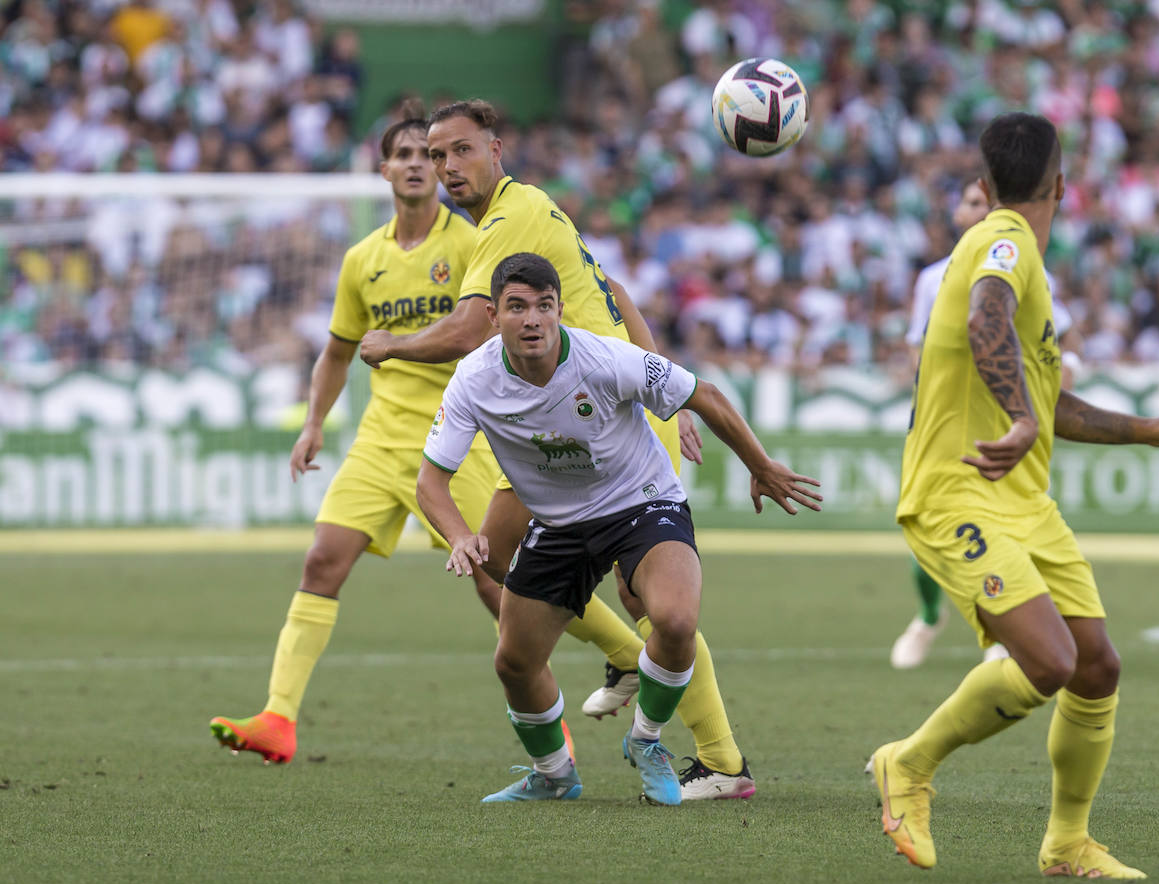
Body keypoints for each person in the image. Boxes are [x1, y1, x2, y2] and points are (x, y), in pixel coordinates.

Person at [358, 99, 756, 800]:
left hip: (600, 403)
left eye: (460, 152)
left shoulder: (514, 218)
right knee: (500, 551)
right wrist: (659, 368)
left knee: (654, 602)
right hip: (564, 415)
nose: (448, 167)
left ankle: (720, 759)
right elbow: (613, 286)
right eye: (437, 154)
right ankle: (619, 663)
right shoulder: (525, 215)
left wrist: (391, 345)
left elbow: (466, 332)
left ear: (496, 151)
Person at [870, 113, 1159, 878]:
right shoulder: (1005, 244)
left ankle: (1066, 844)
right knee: (1049, 660)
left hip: (1024, 504)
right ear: (1063, 185)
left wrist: (1148, 431)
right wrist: (1023, 415)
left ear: (989, 183)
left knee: (1096, 666)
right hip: (957, 492)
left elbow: (1052, 404)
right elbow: (984, 312)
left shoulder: (1026, 266)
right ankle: (908, 765)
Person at [417, 252, 821, 804]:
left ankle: (647, 739)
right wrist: (461, 536)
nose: (531, 319)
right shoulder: (474, 379)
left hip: (640, 504)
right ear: (493, 316)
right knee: (513, 662)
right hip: (558, 522)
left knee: (675, 620)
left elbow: (704, 394)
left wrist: (760, 464)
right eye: (516, 307)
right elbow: (431, 482)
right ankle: (553, 775)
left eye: (543, 306)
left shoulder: (606, 359)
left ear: (559, 310)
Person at [208, 116, 505, 763]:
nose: (417, 164)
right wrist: (315, 422)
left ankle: (605, 676)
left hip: (462, 438)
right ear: (385, 172)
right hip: (380, 441)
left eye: (428, 154)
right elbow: (337, 352)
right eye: (403, 155)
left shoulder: (472, 243)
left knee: (498, 583)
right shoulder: (362, 260)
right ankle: (278, 720)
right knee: (321, 561)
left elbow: (481, 333)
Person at [890, 178, 1082, 670]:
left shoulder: (1024, 265)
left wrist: (1066, 368)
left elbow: (1053, 338)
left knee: (1005, 529)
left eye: (985, 204)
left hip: (1006, 418)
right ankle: (929, 617)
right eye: (971, 204)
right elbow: (918, 346)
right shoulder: (933, 279)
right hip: (949, 419)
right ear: (958, 213)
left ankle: (998, 634)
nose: (979, 213)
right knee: (937, 527)